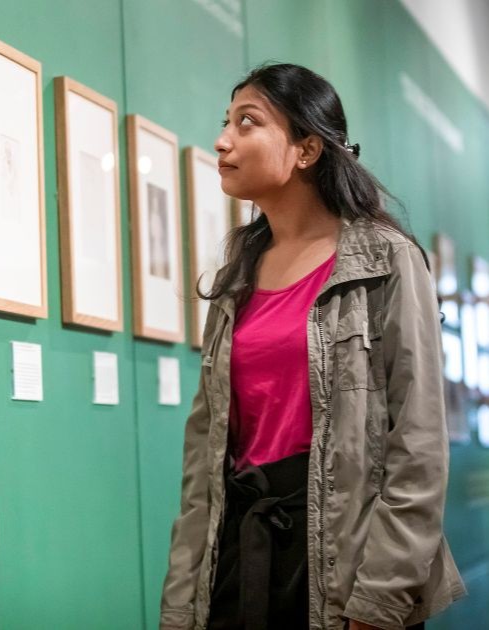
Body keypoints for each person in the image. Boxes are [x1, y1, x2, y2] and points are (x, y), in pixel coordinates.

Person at [160, 63, 466, 630]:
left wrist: (380, 598)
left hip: (344, 559)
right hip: (240, 548)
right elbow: (205, 450)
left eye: (247, 123)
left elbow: (418, 444)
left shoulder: (387, 259)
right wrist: (183, 597)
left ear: (306, 150)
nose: (222, 140)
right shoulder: (236, 276)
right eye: (226, 122)